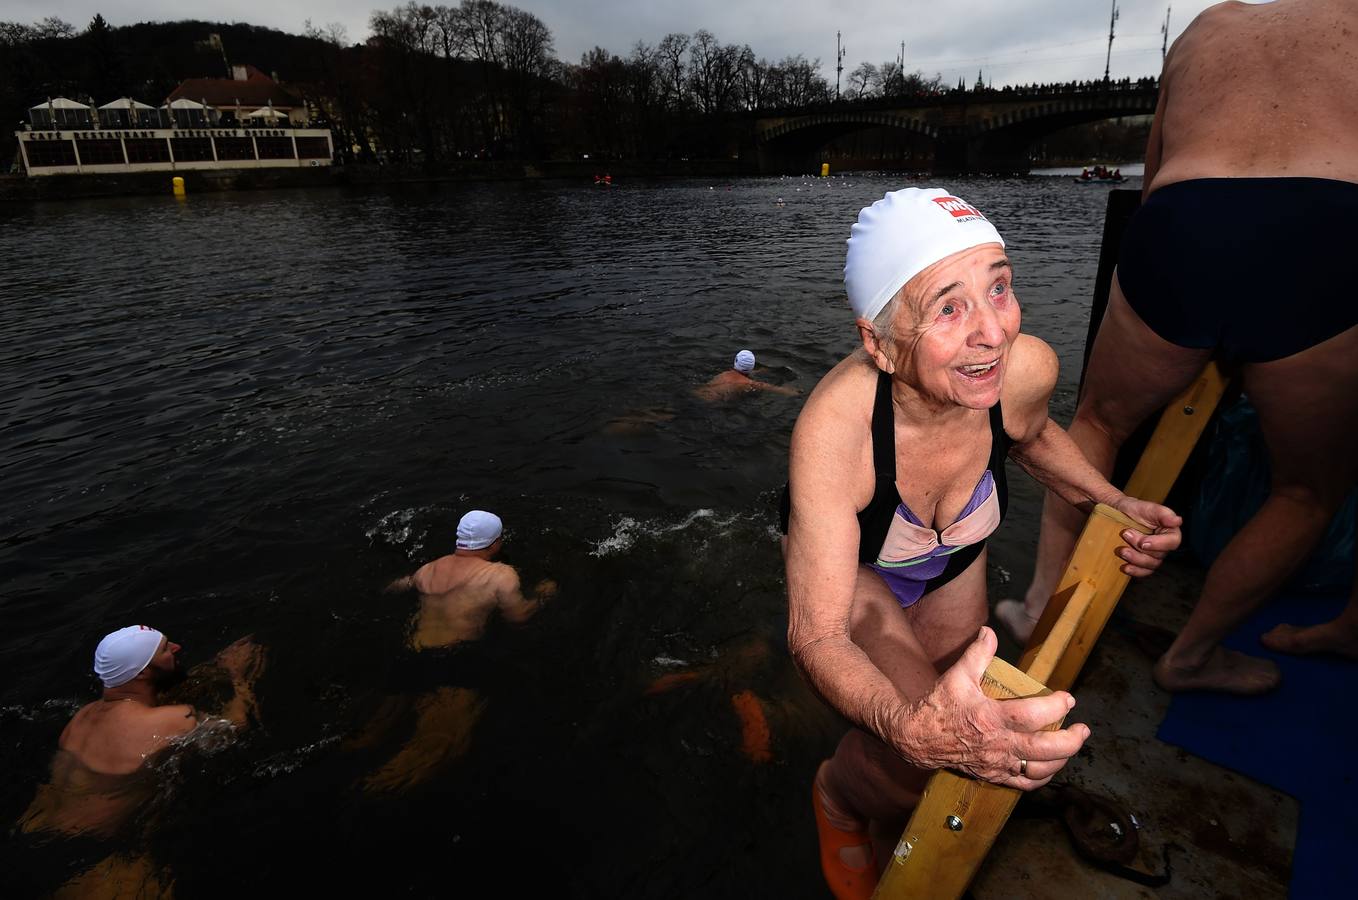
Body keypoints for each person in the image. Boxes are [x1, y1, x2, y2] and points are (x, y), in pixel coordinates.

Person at [783, 187, 1182, 898]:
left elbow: (1031, 435)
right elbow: (816, 635)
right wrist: (905, 728)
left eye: (999, 287)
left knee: (957, 711)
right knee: (925, 751)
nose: (994, 333)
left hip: (954, 558)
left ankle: (884, 801)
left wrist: (1111, 503)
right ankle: (837, 795)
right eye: (949, 307)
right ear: (878, 343)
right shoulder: (835, 434)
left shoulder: (1024, 370)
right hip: (863, 573)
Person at [996, 0, 1358, 694]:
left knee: (1098, 422)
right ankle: (1191, 655)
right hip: (1326, 228)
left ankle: (1041, 602)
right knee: (1307, 490)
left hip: (1184, 219)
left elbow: (1154, 167)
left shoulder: (1210, 24)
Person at [20, 626, 264, 839]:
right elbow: (238, 726)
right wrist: (239, 676)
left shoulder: (81, 718)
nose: (177, 647)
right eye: (166, 649)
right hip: (96, 841)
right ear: (142, 673)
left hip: (36, 822)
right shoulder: (176, 719)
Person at [386, 510, 555, 649]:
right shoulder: (500, 574)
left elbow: (399, 585)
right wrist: (543, 594)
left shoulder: (427, 570)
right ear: (495, 543)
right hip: (456, 653)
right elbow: (518, 616)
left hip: (414, 646)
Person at [695, 350, 800, 401]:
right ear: (751, 366)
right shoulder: (749, 383)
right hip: (710, 404)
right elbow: (774, 388)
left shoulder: (725, 374)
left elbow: (738, 375)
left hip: (697, 393)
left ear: (736, 362)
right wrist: (792, 392)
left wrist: (759, 371)